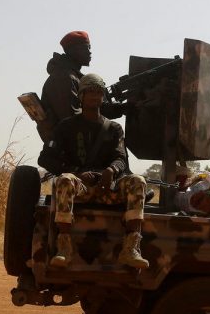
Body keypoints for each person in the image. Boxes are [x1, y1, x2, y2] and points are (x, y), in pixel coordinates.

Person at [38, 73, 149, 270]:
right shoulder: (66, 127)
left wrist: (111, 170)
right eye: (90, 92)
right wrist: (76, 173)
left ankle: (131, 248)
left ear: (103, 96)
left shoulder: (114, 128)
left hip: (108, 188)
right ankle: (64, 247)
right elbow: (45, 158)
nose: (94, 96)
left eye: (98, 92)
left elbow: (121, 158)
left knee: (138, 181)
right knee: (65, 180)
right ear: (81, 96)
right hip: (79, 189)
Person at [38, 31, 123, 142]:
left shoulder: (73, 77)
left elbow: (90, 111)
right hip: (70, 146)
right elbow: (71, 119)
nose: (90, 52)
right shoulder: (64, 78)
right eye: (86, 48)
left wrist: (120, 108)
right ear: (73, 51)